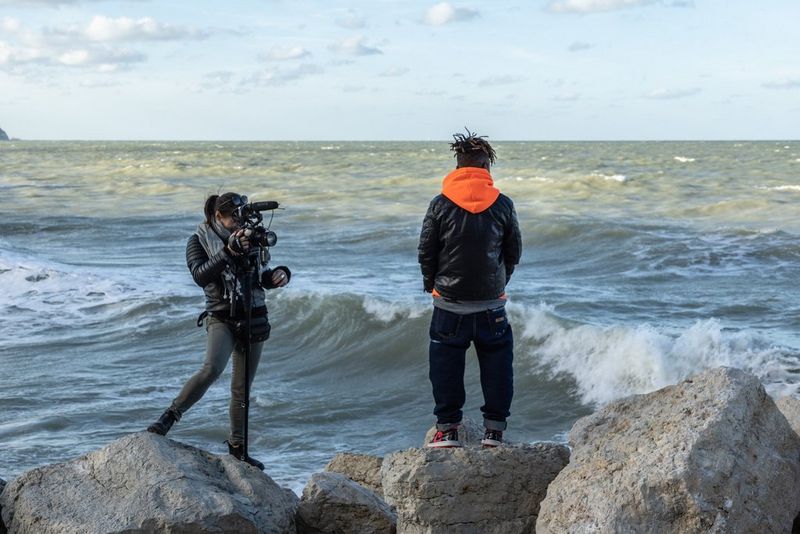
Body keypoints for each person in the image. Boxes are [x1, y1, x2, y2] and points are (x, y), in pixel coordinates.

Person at [146, 192, 290, 470]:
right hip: (221, 316)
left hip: (253, 315)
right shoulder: (197, 241)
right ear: (217, 217)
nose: (238, 224)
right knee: (211, 368)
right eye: (232, 219)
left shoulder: (248, 237)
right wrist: (228, 251)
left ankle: (238, 450)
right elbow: (200, 275)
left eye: (240, 218)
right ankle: (169, 417)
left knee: (242, 390)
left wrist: (277, 276)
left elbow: (260, 275)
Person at [418, 130, 522, 448]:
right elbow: (514, 251)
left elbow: (426, 251)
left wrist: (430, 284)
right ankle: (494, 433)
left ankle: (447, 430)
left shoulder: (440, 204)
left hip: (449, 304)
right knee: (498, 365)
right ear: (486, 167)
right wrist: (499, 282)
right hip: (492, 305)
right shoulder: (503, 204)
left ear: (458, 167)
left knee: (445, 367)